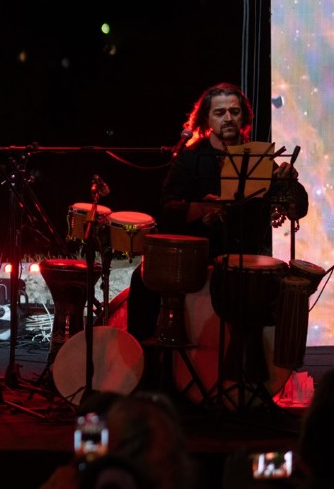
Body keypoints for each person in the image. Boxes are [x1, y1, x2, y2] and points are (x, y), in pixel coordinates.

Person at [126, 82, 309, 341]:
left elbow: (297, 210)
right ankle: (144, 359)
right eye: (220, 112)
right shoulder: (190, 157)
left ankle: (256, 363)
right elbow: (167, 208)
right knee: (141, 277)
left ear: (244, 117)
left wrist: (290, 183)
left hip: (245, 255)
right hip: (196, 255)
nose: (228, 118)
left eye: (234, 112)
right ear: (206, 118)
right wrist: (202, 208)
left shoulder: (260, 157)